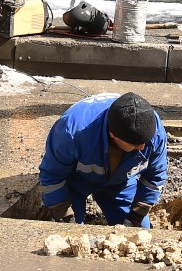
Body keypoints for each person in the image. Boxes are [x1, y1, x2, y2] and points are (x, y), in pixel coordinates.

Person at [38, 91, 167, 227]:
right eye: (135, 144)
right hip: (75, 180)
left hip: (120, 182)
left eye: (145, 141)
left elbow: (154, 177)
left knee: (138, 231)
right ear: (113, 134)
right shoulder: (71, 131)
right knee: (72, 233)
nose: (142, 147)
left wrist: (135, 217)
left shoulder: (153, 130)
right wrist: (65, 217)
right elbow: (52, 177)